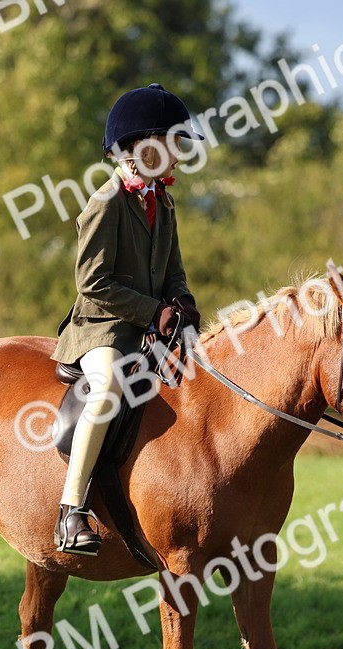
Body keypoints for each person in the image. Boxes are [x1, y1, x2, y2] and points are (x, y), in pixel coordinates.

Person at [49, 84, 204, 556]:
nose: (178, 156)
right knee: (108, 390)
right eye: (172, 144)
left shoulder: (165, 203)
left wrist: (183, 302)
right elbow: (92, 284)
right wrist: (154, 311)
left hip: (149, 328)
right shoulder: (106, 203)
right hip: (102, 328)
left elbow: (173, 271)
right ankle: (71, 510)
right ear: (142, 148)